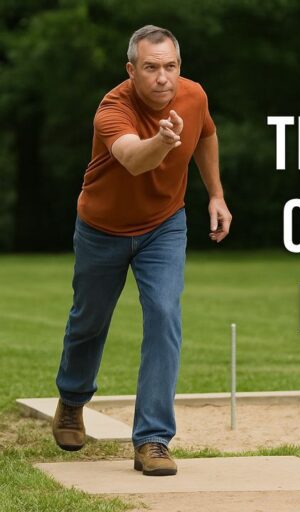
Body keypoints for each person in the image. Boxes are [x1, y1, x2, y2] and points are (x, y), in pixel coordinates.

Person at [52, 25, 231, 477]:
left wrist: (215, 194)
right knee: (89, 320)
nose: (162, 77)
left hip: (163, 227)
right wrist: (163, 141)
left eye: (170, 66)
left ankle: (153, 439)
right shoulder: (112, 109)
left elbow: (206, 135)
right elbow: (133, 159)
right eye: (150, 68)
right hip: (102, 228)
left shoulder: (194, 96)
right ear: (132, 70)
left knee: (164, 314)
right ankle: (72, 401)